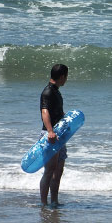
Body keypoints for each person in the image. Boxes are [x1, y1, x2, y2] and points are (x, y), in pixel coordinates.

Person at [39, 64, 68, 206]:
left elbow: (57, 112)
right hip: (50, 135)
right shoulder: (48, 92)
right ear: (62, 76)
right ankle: (44, 204)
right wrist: (50, 131)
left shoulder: (56, 91)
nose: (66, 80)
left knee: (59, 171)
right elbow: (45, 112)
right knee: (49, 171)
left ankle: (54, 201)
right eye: (66, 77)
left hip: (59, 135)